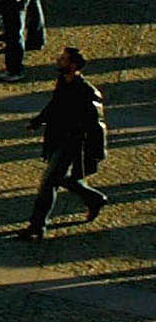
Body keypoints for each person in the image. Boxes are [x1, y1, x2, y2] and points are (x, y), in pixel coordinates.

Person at [21, 45, 109, 239]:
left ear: (74, 65)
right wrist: (38, 121)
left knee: (48, 183)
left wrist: (95, 153)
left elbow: (96, 125)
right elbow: (54, 105)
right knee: (63, 180)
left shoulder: (86, 91)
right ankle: (94, 199)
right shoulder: (63, 81)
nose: (58, 60)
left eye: (63, 58)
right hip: (58, 138)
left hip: (72, 143)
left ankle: (37, 226)